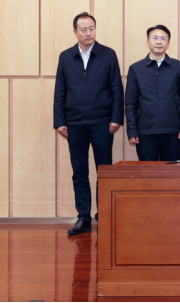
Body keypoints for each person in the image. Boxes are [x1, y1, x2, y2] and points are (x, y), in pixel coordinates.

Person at [53, 12, 123, 236]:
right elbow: (60, 90)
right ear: (75, 32)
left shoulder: (108, 54)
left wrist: (116, 118)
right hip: (74, 124)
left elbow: (116, 88)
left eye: (91, 28)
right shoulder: (66, 57)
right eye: (83, 29)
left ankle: (104, 214)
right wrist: (60, 121)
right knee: (79, 172)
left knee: (104, 171)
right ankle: (83, 217)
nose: (88, 33)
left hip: (102, 122)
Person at [125, 25, 180, 162]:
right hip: (145, 131)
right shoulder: (136, 69)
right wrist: (132, 130)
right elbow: (131, 103)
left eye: (163, 39)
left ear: (168, 44)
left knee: (171, 172)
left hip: (173, 131)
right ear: (148, 42)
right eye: (155, 38)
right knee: (148, 173)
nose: (158, 42)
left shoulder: (178, 67)